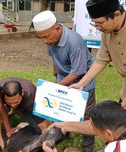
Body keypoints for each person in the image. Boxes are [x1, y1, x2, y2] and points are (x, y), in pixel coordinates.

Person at [70, 0, 126, 134]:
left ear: (117, 14)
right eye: (95, 24)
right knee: (122, 134)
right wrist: (81, 83)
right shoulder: (107, 30)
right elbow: (101, 60)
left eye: (100, 23)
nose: (98, 28)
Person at [32, 10, 96, 152]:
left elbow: (78, 72)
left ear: (57, 28)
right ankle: (63, 136)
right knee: (62, 113)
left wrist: (54, 87)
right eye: (41, 38)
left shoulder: (74, 41)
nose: (45, 41)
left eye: (46, 36)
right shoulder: (50, 38)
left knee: (86, 117)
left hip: (82, 84)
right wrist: (56, 73)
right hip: (63, 80)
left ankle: (87, 148)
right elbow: (54, 56)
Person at [43, 100, 126, 152]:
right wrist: (65, 125)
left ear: (109, 133)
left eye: (96, 131)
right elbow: (98, 127)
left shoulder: (116, 149)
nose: (95, 132)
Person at [0, 77, 51, 151]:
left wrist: (46, 143)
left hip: (28, 103)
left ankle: (22, 120)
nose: (13, 105)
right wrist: (6, 131)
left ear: (22, 94)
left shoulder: (31, 99)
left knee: (38, 130)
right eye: (9, 102)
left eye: (16, 102)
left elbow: (44, 126)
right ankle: (15, 111)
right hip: (7, 101)